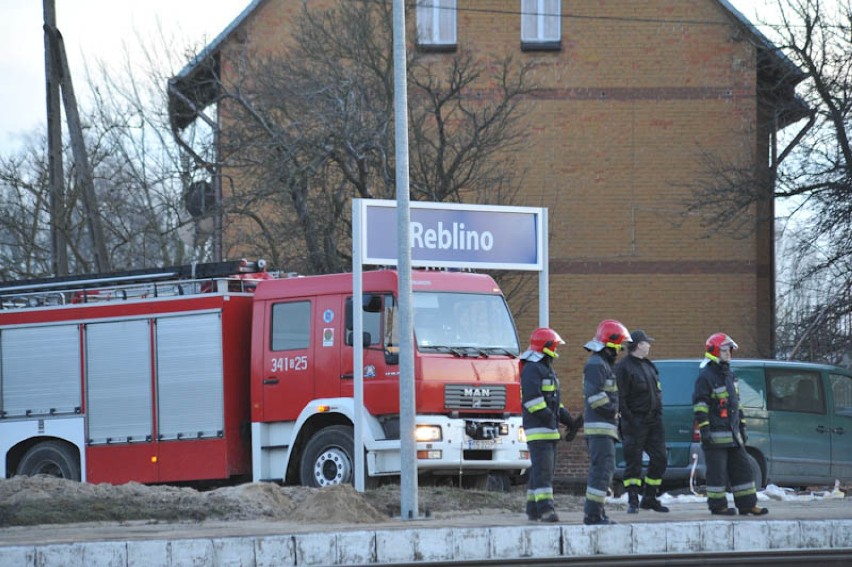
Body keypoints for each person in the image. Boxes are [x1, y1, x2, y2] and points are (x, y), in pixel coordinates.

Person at [693, 333, 768, 516]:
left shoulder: (729, 376)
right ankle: (718, 507)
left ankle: (747, 504)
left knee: (743, 470)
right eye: (725, 350)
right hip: (715, 436)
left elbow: (737, 404)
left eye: (730, 350)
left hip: (733, 435)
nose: (729, 353)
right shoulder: (706, 377)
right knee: (717, 475)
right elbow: (700, 405)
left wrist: (742, 426)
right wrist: (705, 429)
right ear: (715, 352)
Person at [520, 327, 578, 522]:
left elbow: (554, 402)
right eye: (554, 345)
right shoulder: (532, 368)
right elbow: (532, 401)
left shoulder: (546, 368)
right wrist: (551, 419)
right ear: (547, 346)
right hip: (538, 430)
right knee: (544, 473)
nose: (556, 348)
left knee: (539, 472)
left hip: (548, 429)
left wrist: (568, 419)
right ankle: (546, 510)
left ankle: (533, 509)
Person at [582, 319, 631, 525]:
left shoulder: (601, 364)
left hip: (605, 429)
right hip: (600, 429)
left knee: (605, 471)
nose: (619, 350)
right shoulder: (596, 365)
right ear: (609, 344)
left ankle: (597, 512)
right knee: (601, 471)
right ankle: (593, 515)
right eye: (618, 345)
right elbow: (595, 398)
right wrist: (613, 413)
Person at [615, 329, 669, 514]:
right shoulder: (623, 368)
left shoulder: (649, 366)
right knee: (634, 462)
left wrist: (658, 413)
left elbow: (658, 392)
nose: (649, 345)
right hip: (635, 422)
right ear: (638, 345)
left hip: (654, 421)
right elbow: (620, 397)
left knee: (660, 458)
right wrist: (629, 419)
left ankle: (650, 497)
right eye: (647, 342)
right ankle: (632, 500)